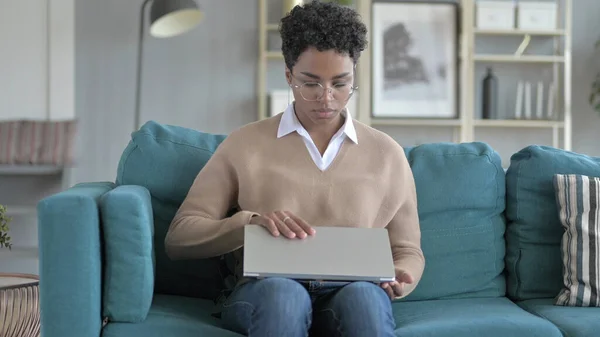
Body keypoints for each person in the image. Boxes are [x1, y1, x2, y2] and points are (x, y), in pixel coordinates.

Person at [164, 1, 425, 336]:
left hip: (350, 292)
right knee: (284, 296)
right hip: (265, 291)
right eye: (311, 83)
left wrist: (403, 276)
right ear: (288, 75)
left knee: (365, 299)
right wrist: (249, 224)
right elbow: (180, 236)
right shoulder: (245, 144)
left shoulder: (387, 154)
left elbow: (407, 251)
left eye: (341, 83)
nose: (327, 98)